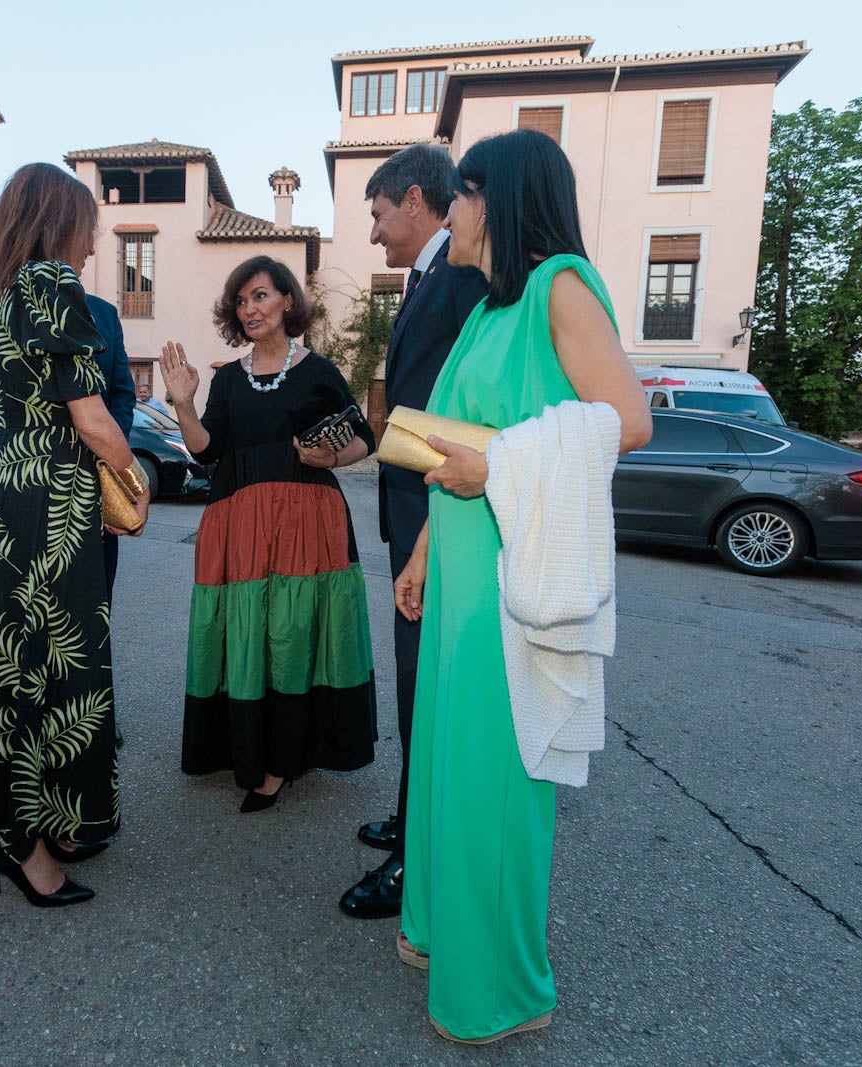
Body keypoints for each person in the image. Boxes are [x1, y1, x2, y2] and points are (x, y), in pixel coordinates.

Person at [393, 130, 651, 1043]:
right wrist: (422, 550)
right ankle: (441, 935)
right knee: (449, 769)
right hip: (460, 565)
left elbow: (629, 421)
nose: (450, 210)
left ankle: (501, 989)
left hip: (512, 577)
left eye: (460, 195)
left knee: (497, 780)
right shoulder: (483, 312)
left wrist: (493, 462)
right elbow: (454, 442)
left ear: (496, 200)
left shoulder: (562, 286)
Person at [0, 162, 150, 908]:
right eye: (88, 221)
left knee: (19, 669)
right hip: (58, 504)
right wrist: (135, 482)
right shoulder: (53, 285)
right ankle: (28, 846)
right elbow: (94, 416)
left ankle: (36, 827)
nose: (95, 234)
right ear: (58, 219)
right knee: (63, 667)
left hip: (12, 494)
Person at [160, 256, 378, 812]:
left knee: (293, 634)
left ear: (286, 300)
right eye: (240, 301)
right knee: (247, 636)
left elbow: (362, 438)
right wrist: (184, 403)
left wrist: (332, 456)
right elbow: (208, 452)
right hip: (239, 524)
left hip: (308, 522)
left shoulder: (319, 371)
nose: (250, 309)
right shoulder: (229, 379)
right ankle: (250, 749)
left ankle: (283, 760)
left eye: (259, 296)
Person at [339, 146, 487, 922]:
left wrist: (427, 538)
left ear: (417, 201)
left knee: (425, 687)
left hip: (439, 521)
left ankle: (417, 856)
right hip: (417, 517)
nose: (373, 234)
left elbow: (457, 413)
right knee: (414, 685)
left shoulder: (460, 279)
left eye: (376, 214)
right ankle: (412, 809)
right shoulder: (434, 277)